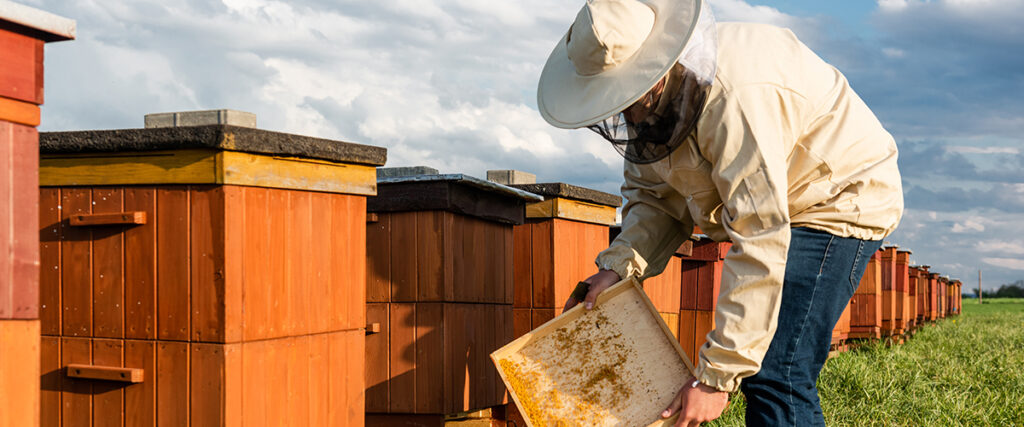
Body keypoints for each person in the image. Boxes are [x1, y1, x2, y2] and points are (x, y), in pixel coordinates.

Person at [536, 0, 903, 425]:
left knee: (777, 371)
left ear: (656, 71)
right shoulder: (653, 110)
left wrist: (715, 378)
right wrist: (617, 269)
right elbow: (655, 201)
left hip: (835, 196)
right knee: (768, 367)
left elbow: (759, 234)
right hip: (777, 205)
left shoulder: (736, 99)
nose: (623, 113)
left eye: (625, 97)